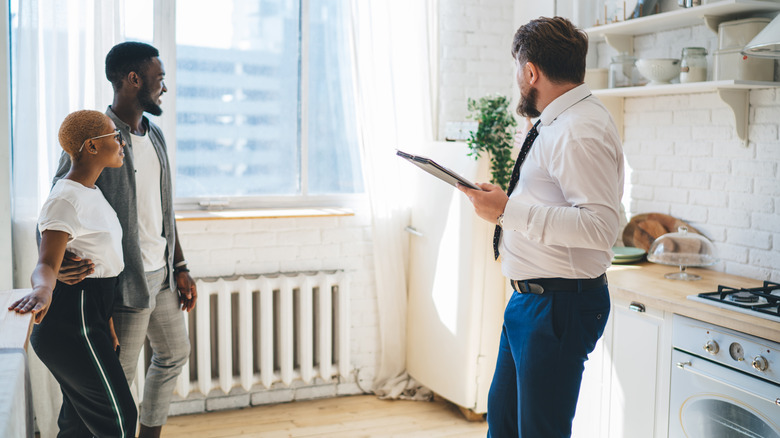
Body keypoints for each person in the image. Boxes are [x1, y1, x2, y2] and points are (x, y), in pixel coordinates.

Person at [457, 17, 625, 438]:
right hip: (533, 302)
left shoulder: (577, 130)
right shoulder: (557, 123)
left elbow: (601, 226)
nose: (518, 80)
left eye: (518, 69)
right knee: (507, 426)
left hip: (558, 306)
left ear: (531, 71)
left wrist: (507, 212)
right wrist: (503, 205)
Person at [50, 41, 197, 438]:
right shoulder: (98, 138)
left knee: (174, 354)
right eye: (159, 78)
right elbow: (59, 199)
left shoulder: (157, 136)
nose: (164, 86)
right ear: (134, 79)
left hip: (162, 277)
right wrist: (55, 260)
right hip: (124, 284)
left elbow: (164, 211)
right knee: (116, 380)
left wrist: (180, 266)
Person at [10, 110, 137, 437]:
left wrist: (105, 321)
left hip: (88, 316)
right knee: (119, 421)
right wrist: (42, 290)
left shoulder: (90, 193)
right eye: (115, 136)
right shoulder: (64, 198)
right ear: (91, 147)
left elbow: (102, 264)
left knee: (78, 424)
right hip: (71, 322)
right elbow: (47, 263)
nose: (122, 143)